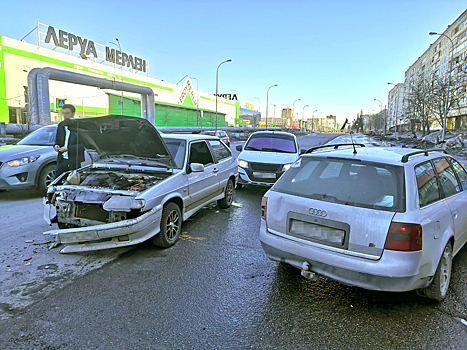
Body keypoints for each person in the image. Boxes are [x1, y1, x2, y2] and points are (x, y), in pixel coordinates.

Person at [54, 104, 85, 178]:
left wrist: (68, 148)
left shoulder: (79, 127)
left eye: (67, 113)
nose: (64, 116)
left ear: (73, 113)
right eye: (63, 113)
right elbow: (57, 140)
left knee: (73, 182)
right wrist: (56, 146)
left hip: (75, 161)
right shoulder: (61, 126)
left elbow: (83, 145)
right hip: (62, 160)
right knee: (57, 181)